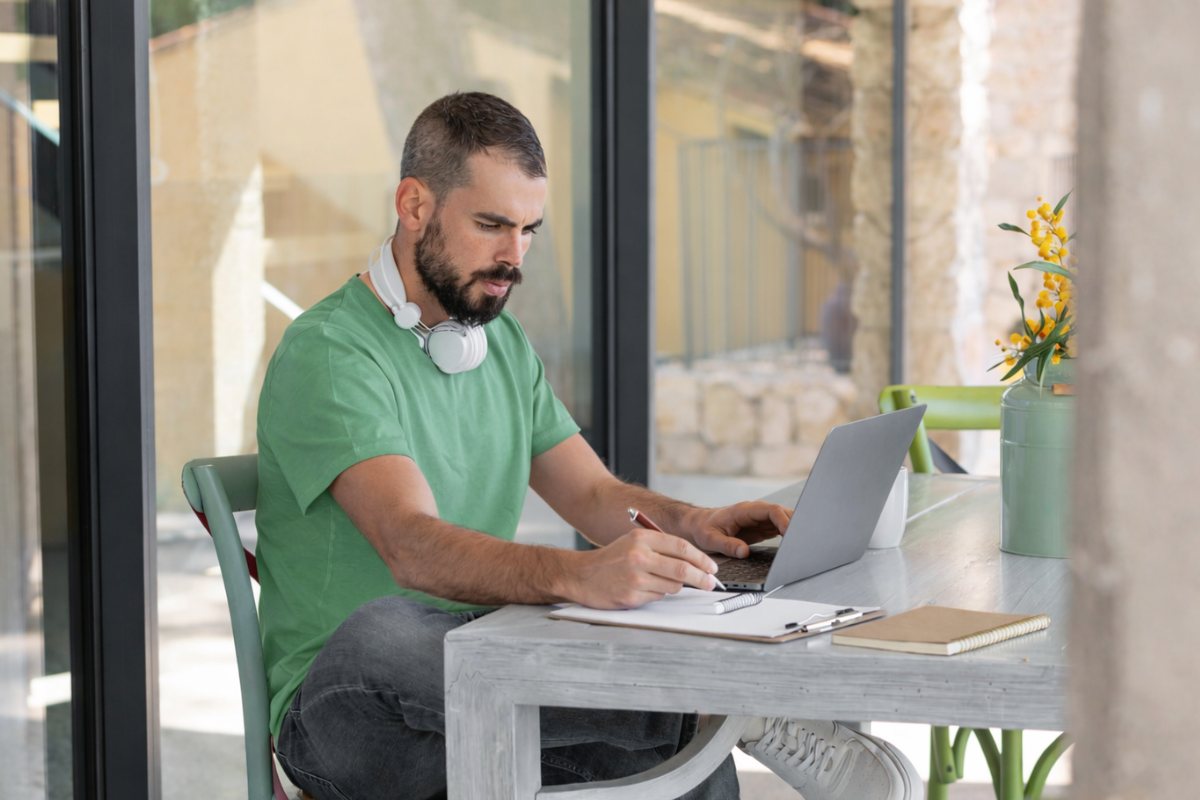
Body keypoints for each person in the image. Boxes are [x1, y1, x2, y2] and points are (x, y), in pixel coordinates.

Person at [256, 91, 919, 800]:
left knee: (672, 765)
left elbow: (596, 496)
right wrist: (578, 576)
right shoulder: (331, 352)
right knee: (386, 631)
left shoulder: (496, 344)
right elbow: (410, 546)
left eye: (529, 230)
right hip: (349, 717)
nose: (514, 257)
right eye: (491, 226)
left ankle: (723, 716)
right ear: (414, 205)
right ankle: (738, 708)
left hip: (489, 684)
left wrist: (693, 525)